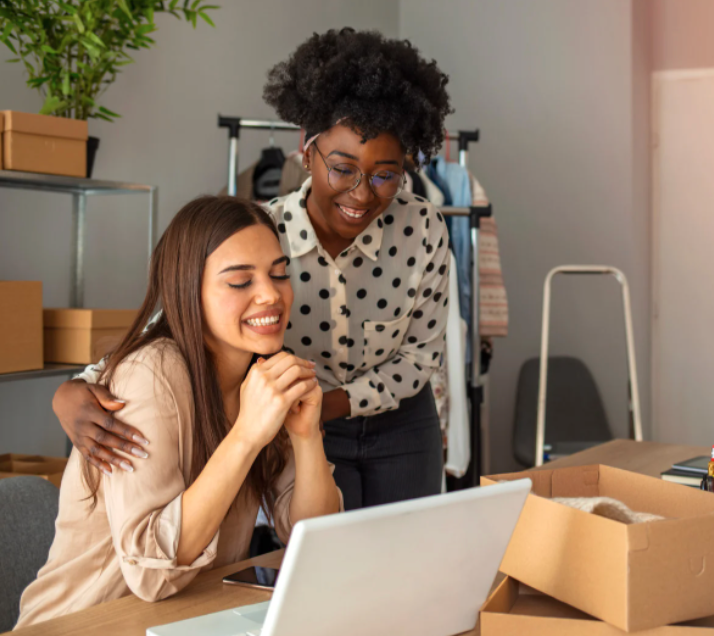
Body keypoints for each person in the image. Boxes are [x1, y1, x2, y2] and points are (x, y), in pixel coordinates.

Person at [51, 27, 455, 510]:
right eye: (343, 168)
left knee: (409, 560)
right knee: (312, 565)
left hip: (400, 424)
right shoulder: (264, 232)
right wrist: (76, 389)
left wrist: (329, 403)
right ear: (307, 150)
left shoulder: (423, 227)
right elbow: (182, 320)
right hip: (298, 429)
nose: (363, 193)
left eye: (385, 174)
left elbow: (419, 356)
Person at [17, 197, 341, 627]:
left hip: (191, 619)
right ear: (189, 291)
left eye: (279, 274)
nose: (271, 294)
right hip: (84, 624)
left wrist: (306, 436)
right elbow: (150, 573)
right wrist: (245, 435)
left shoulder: (261, 375)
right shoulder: (152, 375)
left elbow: (311, 539)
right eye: (240, 282)